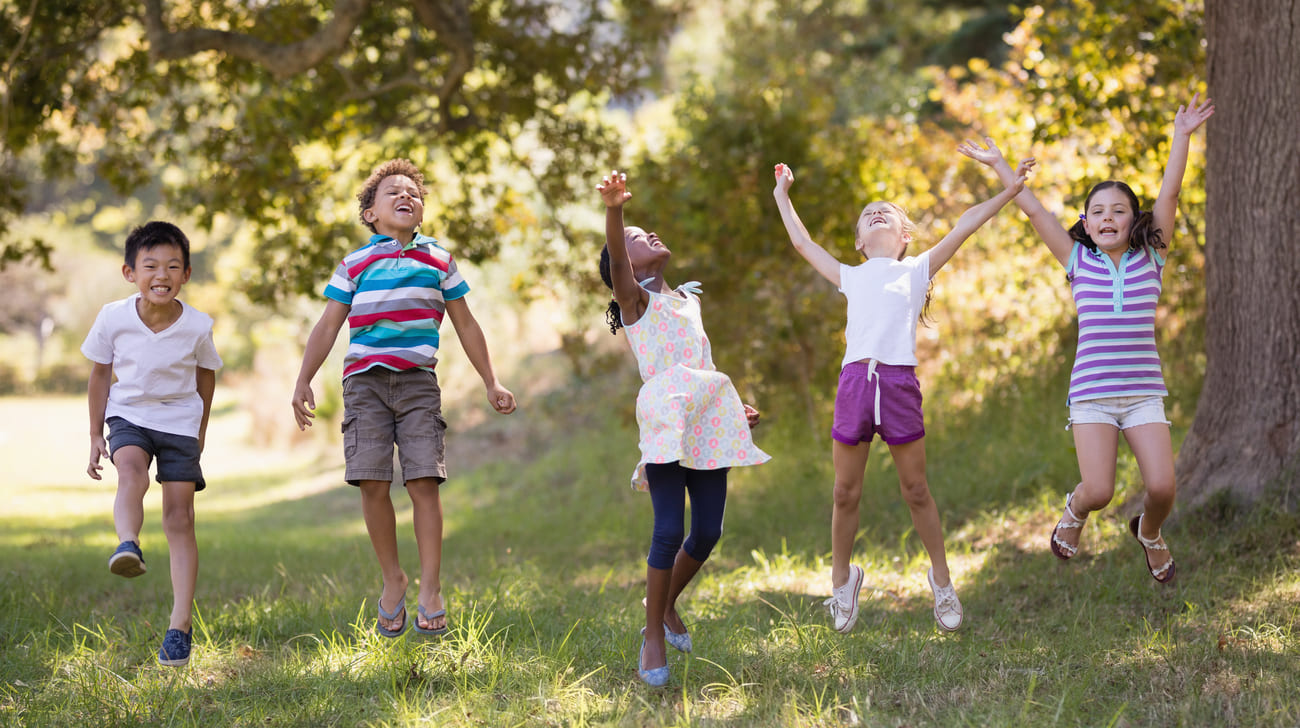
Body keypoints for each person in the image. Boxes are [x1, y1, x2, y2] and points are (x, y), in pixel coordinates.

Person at [960, 93, 1214, 585]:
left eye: (1118, 210)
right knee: (1098, 491)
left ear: (1134, 219)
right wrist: (1001, 166)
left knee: (1162, 488)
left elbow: (1170, 196)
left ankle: (1150, 531)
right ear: (1086, 221)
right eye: (1096, 211)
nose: (1106, 218)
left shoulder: (1151, 258)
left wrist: (1181, 136)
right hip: (1093, 396)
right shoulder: (1078, 261)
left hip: (1143, 392)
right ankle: (1074, 513)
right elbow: (1035, 214)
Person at [772, 154, 1026, 634]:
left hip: (897, 384)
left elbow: (966, 224)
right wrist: (783, 196)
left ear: (904, 235)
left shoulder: (915, 270)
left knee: (916, 490)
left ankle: (943, 580)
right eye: (868, 214)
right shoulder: (851, 274)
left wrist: (1009, 192)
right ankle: (842, 582)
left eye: (886, 210)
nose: (876, 213)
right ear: (859, 242)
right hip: (854, 383)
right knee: (845, 491)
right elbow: (803, 243)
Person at [291, 158, 517, 639]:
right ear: (370, 213)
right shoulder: (355, 262)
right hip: (365, 384)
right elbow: (328, 324)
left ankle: (430, 588)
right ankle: (393, 579)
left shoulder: (439, 260)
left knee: (423, 482)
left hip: (417, 383)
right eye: (392, 191)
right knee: (371, 481)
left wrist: (491, 381)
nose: (405, 196)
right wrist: (303, 379)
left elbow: (466, 324)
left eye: (413, 193)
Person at [597, 170, 770, 687]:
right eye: (633, 239)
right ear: (623, 267)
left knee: (710, 529)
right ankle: (653, 633)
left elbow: (705, 359)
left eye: (643, 230)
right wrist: (614, 212)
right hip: (667, 419)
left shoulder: (688, 301)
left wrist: (735, 408)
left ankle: (664, 600)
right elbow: (618, 258)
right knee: (669, 528)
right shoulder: (636, 302)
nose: (645, 235)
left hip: (709, 417)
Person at [84, 221, 223, 667]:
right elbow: (100, 374)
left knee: (180, 517)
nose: (161, 274)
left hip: (180, 420)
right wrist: (93, 434)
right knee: (130, 471)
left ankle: (179, 627)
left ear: (186, 275)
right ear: (130, 272)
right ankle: (128, 544)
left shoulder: (199, 325)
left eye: (172, 266)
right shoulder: (113, 317)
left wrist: (199, 433)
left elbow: (206, 376)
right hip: (129, 414)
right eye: (150, 265)